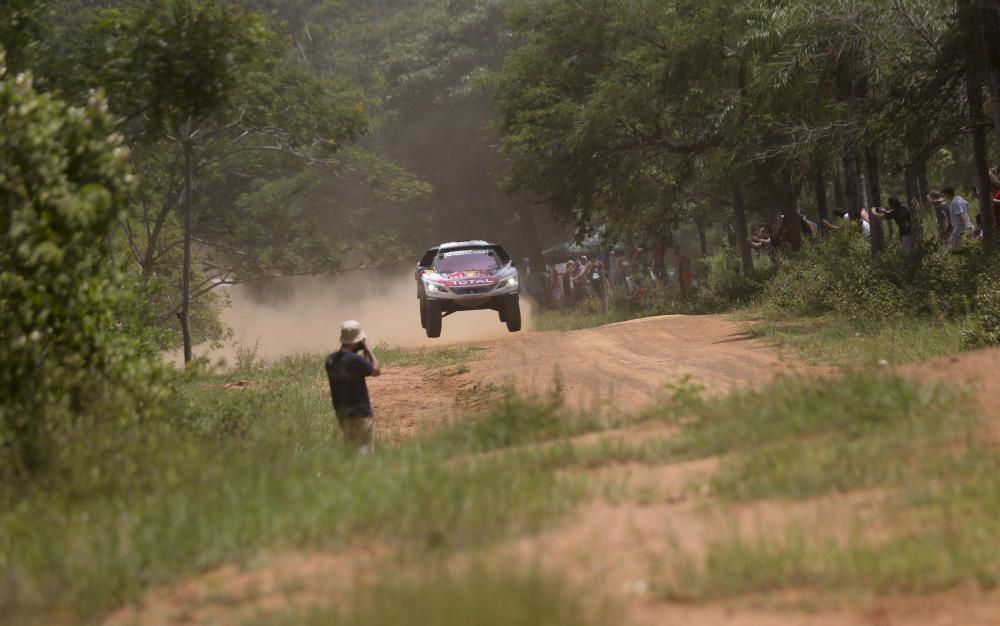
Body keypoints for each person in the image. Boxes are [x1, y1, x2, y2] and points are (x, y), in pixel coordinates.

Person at [325, 320, 381, 454]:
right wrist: (367, 349)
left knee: (351, 453)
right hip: (361, 414)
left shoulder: (330, 360)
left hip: (342, 415)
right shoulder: (355, 360)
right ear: (357, 341)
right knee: (365, 454)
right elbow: (376, 370)